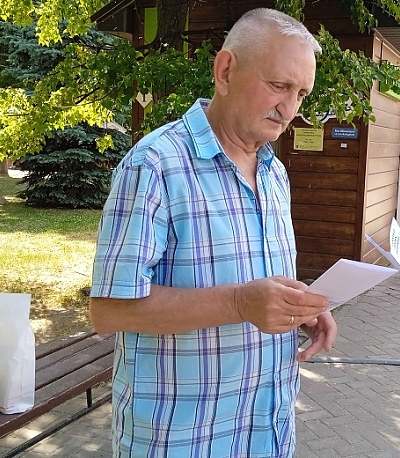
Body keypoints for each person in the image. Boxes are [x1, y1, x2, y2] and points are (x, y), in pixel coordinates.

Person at [89, 8, 337, 457]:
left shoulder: (274, 173)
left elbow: (261, 284)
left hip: (265, 430)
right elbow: (108, 311)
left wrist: (297, 309)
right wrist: (240, 303)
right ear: (225, 71)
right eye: (279, 86)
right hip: (182, 439)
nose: (290, 108)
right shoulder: (154, 165)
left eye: (301, 93)